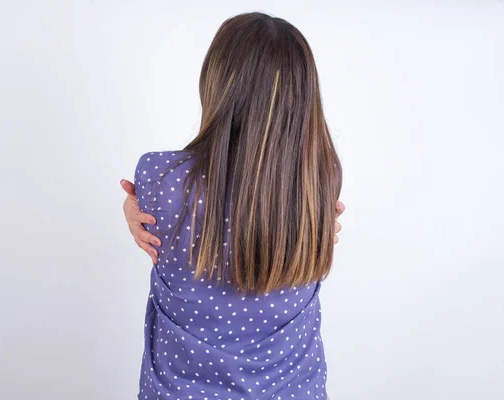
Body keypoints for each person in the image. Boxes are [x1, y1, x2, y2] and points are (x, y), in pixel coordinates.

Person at [121, 11, 345, 400]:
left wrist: (133, 202)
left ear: (216, 84)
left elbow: (172, 215)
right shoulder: (320, 183)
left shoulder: (159, 177)